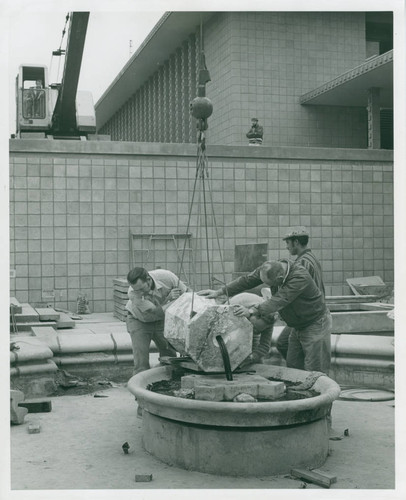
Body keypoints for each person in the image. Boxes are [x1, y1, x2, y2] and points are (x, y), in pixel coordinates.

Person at [125, 267, 188, 375]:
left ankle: (168, 382)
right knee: (141, 360)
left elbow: (186, 294)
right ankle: (139, 386)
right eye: (136, 290)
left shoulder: (167, 277)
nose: (139, 292)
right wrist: (169, 298)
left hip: (161, 321)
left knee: (169, 355)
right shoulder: (133, 294)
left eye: (141, 288)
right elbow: (156, 311)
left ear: (148, 280)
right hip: (139, 321)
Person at [276, 227, 326, 361]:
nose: (287, 247)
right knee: (283, 343)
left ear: (296, 242)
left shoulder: (302, 263)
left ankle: (301, 373)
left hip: (308, 316)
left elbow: (295, 292)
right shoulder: (310, 258)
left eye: (288, 243)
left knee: (283, 344)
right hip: (311, 313)